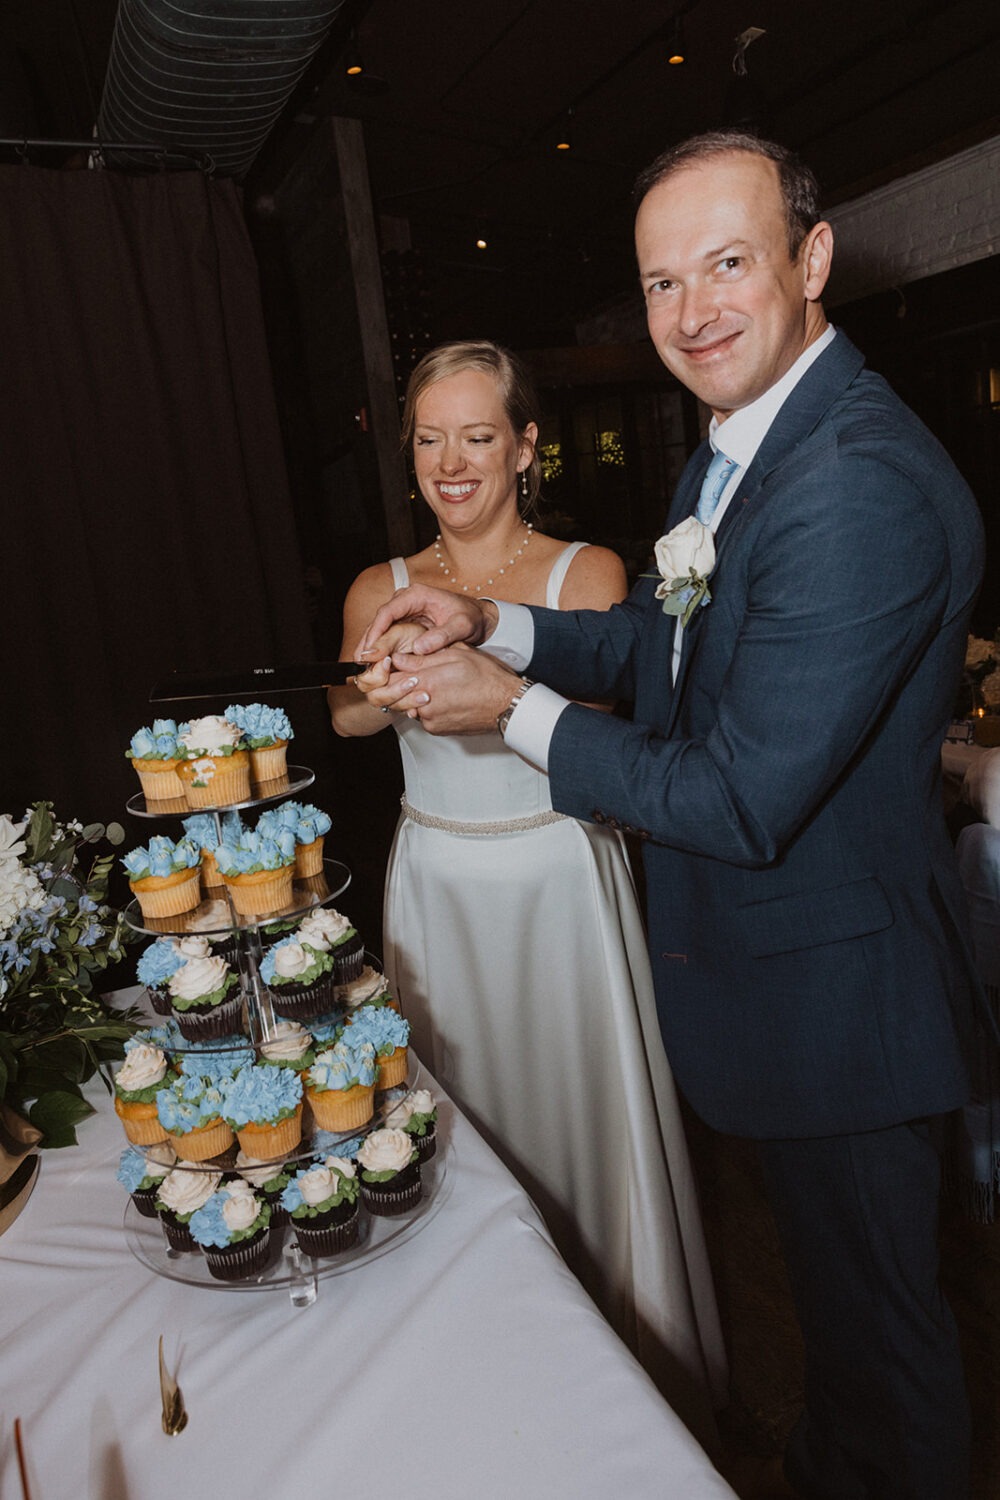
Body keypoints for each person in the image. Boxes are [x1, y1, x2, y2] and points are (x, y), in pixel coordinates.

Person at [354, 136, 984, 1500]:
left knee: (890, 1357)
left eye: (727, 263)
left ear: (812, 261)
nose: (691, 309)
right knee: (845, 1342)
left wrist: (501, 708)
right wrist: (499, 621)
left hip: (845, 1010)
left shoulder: (854, 479)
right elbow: (664, 649)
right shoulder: (740, 453)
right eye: (660, 282)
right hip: (784, 997)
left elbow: (737, 796)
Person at [329, 340, 727, 1434]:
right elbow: (343, 715)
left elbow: (613, 735)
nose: (450, 461)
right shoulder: (382, 584)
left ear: (524, 447)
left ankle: (620, 1384)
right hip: (436, 890)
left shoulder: (586, 573)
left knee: (576, 1123)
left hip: (557, 879)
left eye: (476, 435)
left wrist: (494, 685)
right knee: (458, 1135)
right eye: (428, 438)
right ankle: (480, 1390)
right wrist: (385, 686)